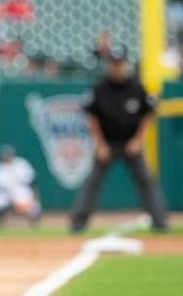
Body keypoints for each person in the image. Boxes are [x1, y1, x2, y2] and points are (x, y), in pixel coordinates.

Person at [70, 48, 170, 233]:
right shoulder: (100, 88)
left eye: (120, 63)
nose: (117, 67)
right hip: (107, 143)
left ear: (125, 64)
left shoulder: (135, 86)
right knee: (93, 182)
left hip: (131, 143)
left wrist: (138, 140)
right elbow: (92, 118)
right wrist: (100, 145)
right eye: (113, 63)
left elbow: (149, 113)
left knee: (146, 180)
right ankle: (78, 222)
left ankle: (160, 221)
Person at [0, 145, 40, 227]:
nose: (7, 157)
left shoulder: (21, 163)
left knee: (33, 205)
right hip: (4, 192)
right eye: (5, 155)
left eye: (8, 154)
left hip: (20, 190)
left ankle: (34, 226)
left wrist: (34, 193)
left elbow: (31, 180)